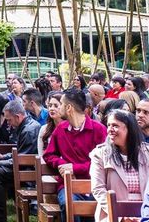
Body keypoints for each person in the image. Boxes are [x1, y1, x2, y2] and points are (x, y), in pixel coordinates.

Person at [43, 89, 107, 222]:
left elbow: (104, 161)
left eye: (60, 104)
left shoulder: (99, 130)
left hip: (95, 185)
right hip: (68, 185)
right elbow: (48, 155)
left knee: (98, 210)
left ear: (68, 108)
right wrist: (62, 165)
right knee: (68, 203)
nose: (58, 107)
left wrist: (75, 167)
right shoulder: (61, 129)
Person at [0, 100, 40, 222]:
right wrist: (3, 157)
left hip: (28, 172)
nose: (8, 123)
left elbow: (22, 160)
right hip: (21, 166)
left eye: (9, 120)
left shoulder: (29, 130)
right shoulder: (23, 126)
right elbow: (18, 153)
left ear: (18, 117)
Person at [90, 109, 149, 222]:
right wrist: (120, 216)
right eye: (108, 125)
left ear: (130, 129)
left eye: (115, 126)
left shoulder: (146, 153)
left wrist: (144, 216)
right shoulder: (100, 154)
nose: (110, 130)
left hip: (145, 215)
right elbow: (98, 189)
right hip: (113, 215)